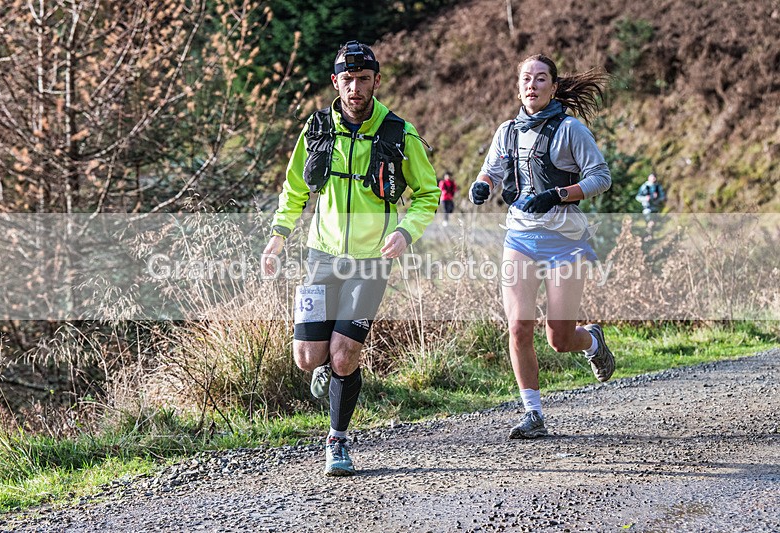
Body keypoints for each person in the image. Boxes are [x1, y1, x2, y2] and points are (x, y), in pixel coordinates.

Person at [261, 41, 440, 475]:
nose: (355, 88)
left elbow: (428, 194)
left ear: (376, 81)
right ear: (335, 82)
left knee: (343, 356)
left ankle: (337, 441)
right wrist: (278, 235)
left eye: (363, 80)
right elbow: (295, 189)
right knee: (307, 357)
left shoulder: (399, 133)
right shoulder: (317, 128)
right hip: (320, 258)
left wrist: (405, 231)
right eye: (348, 80)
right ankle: (326, 373)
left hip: (371, 261)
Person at [469, 54, 616, 439]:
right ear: (518, 87)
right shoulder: (507, 131)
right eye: (525, 79)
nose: (531, 85)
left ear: (553, 86)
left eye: (540, 79)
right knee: (518, 327)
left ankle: (592, 339)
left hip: (565, 241)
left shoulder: (570, 131)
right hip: (519, 237)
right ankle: (533, 413)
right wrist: (483, 184)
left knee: (559, 338)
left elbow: (601, 177)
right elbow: (495, 168)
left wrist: (557, 194)